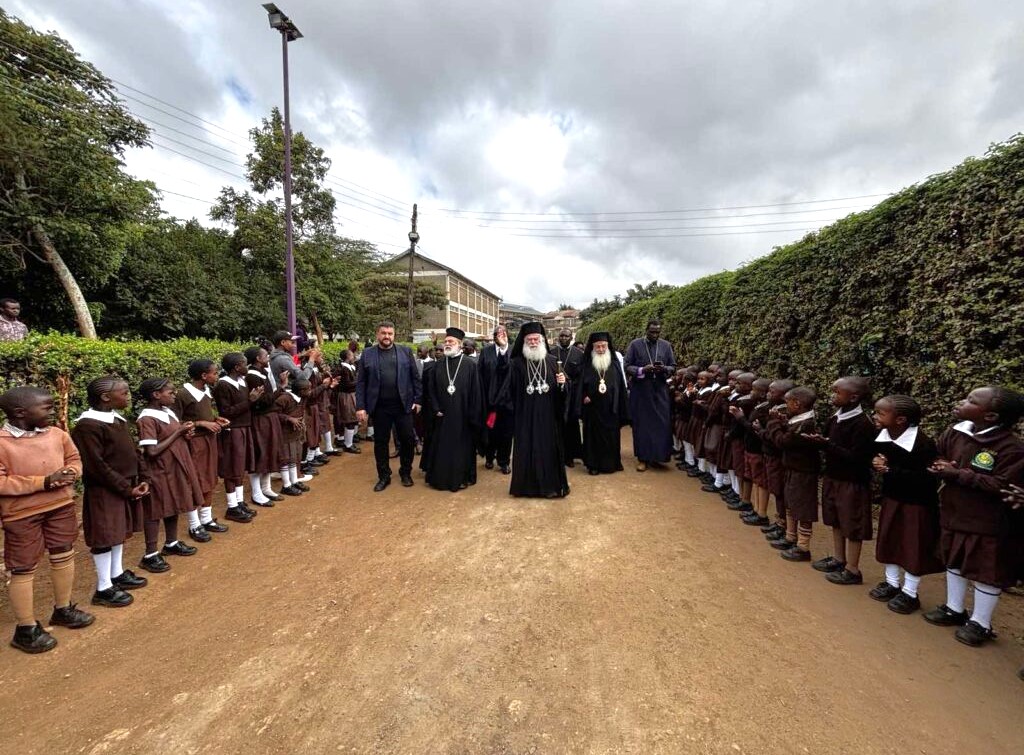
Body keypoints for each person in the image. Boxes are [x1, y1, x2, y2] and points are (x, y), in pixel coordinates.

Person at [923, 386, 1024, 647]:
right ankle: (954, 609)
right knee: (954, 561)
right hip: (955, 512)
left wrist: (957, 474)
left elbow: (1002, 484)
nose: (961, 402)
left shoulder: (1011, 448)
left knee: (985, 571)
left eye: (970, 400)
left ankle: (981, 622)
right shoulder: (956, 432)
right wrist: (938, 465)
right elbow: (938, 454)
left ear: (990, 416)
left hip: (986, 522)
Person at [1, 386, 93, 654]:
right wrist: (43, 481)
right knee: (23, 567)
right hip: (22, 514)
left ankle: (63, 608)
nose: (53, 412)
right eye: (47, 408)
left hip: (60, 505)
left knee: (63, 552)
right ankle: (25, 628)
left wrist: (71, 472)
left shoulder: (57, 434)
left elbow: (74, 458)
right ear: (20, 412)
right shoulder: (2, 442)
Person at [71, 376, 149, 609]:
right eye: (124, 393)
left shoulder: (116, 419)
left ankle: (117, 573)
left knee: (118, 531)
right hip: (106, 489)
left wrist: (143, 477)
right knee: (105, 534)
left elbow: (134, 451)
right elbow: (96, 466)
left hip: (125, 486)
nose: (128, 396)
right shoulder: (88, 426)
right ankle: (103, 587)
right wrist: (126, 489)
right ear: (106, 397)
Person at [869, 394, 942, 614]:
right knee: (889, 538)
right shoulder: (883, 436)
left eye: (881, 413)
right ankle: (891, 583)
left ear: (900, 420)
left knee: (913, 545)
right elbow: (879, 459)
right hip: (893, 498)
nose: (875, 416)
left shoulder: (922, 445)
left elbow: (926, 478)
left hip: (917, 504)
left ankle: (910, 593)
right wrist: (877, 464)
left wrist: (890, 469)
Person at [803, 376, 877, 585]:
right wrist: (817, 440)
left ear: (853, 397)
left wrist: (826, 445)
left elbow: (858, 457)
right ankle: (839, 559)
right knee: (835, 519)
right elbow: (827, 440)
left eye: (837, 392)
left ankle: (853, 569)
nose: (832, 395)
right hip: (834, 477)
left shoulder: (863, 424)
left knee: (852, 524)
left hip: (852, 481)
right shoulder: (837, 418)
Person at [496, 322, 569, 498]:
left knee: (548, 450)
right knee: (527, 450)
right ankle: (526, 488)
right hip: (525, 417)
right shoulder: (516, 364)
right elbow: (506, 389)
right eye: (530, 339)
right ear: (524, 341)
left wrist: (562, 385)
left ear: (542, 340)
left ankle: (550, 487)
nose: (533, 342)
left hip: (548, 417)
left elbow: (564, 393)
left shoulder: (553, 362)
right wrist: (504, 347)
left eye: (536, 339)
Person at [135, 378, 201, 573]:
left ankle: (171, 542)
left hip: (175, 466)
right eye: (170, 393)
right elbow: (152, 451)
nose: (174, 395)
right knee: (155, 509)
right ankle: (150, 554)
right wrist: (178, 432)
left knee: (174, 504)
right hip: (159, 470)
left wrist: (185, 433)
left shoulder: (166, 412)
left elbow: (174, 434)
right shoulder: (146, 419)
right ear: (156, 395)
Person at [355, 321, 422, 492]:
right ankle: (384, 476)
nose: (387, 336)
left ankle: (405, 472)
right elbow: (361, 382)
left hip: (403, 405)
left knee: (407, 439)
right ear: (377, 334)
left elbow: (415, 378)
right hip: (380, 407)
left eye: (390, 333)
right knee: (381, 442)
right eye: (383, 333)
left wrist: (418, 399)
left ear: (394, 335)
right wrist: (360, 406)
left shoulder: (405, 352)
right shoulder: (368, 354)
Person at [763, 386, 821, 562]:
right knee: (791, 503)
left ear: (797, 404)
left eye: (787, 403)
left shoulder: (806, 424)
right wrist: (782, 422)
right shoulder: (798, 420)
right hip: (793, 469)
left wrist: (773, 422)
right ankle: (790, 537)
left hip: (803, 473)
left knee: (802, 509)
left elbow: (783, 441)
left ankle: (803, 547)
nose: (784, 406)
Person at [174, 360, 233, 533]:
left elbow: (205, 412)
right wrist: (200, 423)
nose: (217, 376)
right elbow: (174, 422)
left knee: (209, 479)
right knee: (195, 481)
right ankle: (194, 525)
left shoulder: (206, 391)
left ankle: (206, 519)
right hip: (194, 444)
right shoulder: (182, 395)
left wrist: (215, 420)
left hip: (209, 442)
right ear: (203, 375)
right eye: (214, 373)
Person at [423, 328, 484, 491]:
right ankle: (440, 479)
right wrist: (435, 408)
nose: (448, 344)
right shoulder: (438, 365)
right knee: (442, 447)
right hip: (442, 415)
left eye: (452, 342)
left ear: (460, 345)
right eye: (446, 341)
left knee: (462, 449)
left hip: (463, 416)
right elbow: (431, 389)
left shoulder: (470, 365)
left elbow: (476, 392)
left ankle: (462, 478)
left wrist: (472, 414)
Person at [572, 332, 629, 475]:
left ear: (608, 347)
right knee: (593, 438)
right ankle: (593, 465)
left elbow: (620, 386)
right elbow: (577, 385)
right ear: (592, 348)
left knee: (611, 437)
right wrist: (584, 396)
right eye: (598, 347)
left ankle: (612, 464)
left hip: (610, 408)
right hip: (592, 409)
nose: (601, 349)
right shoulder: (586, 365)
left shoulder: (614, 364)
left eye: (604, 346)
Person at [213, 353, 261, 522]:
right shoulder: (223, 385)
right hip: (233, 430)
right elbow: (226, 412)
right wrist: (250, 401)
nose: (247, 368)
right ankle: (232, 506)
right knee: (232, 468)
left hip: (244, 428)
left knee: (240, 467)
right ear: (236, 367)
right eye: (244, 365)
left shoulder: (242, 381)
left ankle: (239, 502)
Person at [624, 320, 677, 471]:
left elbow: (673, 366)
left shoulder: (666, 345)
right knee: (642, 425)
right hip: (641, 391)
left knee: (661, 424)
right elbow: (627, 365)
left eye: (657, 332)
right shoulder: (635, 344)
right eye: (652, 332)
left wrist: (663, 368)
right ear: (646, 330)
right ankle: (642, 459)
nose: (655, 335)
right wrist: (642, 370)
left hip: (659, 390)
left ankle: (657, 457)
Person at [245, 346, 287, 507]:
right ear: (257, 358)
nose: (268, 356)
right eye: (265, 355)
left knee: (270, 451)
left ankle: (266, 488)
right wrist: (282, 387)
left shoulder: (262, 372)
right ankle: (256, 493)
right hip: (261, 419)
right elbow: (262, 402)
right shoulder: (253, 376)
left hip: (269, 417)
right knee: (260, 454)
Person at [757, 379, 794, 542]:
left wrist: (763, 429)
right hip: (770, 455)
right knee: (777, 490)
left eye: (772, 392)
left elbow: (777, 438)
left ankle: (783, 524)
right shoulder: (772, 409)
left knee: (780, 491)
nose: (768, 394)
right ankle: (780, 521)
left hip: (778, 457)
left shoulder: (784, 414)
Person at [736, 377, 772, 527]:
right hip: (750, 448)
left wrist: (741, 418)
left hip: (758, 450)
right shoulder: (758, 405)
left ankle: (761, 513)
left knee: (760, 482)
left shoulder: (765, 410)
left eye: (754, 390)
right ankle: (754, 508)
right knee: (752, 478)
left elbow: (754, 428)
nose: (751, 392)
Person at [479, 325, 513, 474]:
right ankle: (489, 457)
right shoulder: (486, 352)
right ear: (493, 337)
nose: (502, 335)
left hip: (508, 401)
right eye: (498, 333)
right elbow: (479, 375)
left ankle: (504, 461)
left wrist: (505, 348)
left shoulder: (513, 351)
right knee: (490, 431)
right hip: (489, 400)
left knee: (506, 434)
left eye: (504, 333)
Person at [551, 328, 583, 466]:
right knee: (556, 426)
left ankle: (570, 456)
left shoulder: (579, 354)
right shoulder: (551, 353)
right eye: (561, 336)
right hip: (555, 395)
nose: (564, 338)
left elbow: (581, 376)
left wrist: (569, 383)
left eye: (567, 336)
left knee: (571, 426)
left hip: (572, 396)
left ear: (571, 338)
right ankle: (557, 455)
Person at [274, 376, 311, 496]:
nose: (310, 391)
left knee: (294, 457)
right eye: (308, 389)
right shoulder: (284, 399)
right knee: (285, 458)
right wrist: (289, 419)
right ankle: (286, 485)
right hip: (285, 434)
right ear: (301, 391)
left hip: (295, 433)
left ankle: (294, 481)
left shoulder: (302, 398)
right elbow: (274, 414)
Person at [334, 349, 360, 454]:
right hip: (347, 396)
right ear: (347, 357)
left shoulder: (348, 367)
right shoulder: (343, 369)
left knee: (352, 420)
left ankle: (348, 442)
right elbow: (347, 384)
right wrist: (359, 381)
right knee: (350, 419)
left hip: (350, 395)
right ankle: (348, 445)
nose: (353, 356)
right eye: (351, 354)